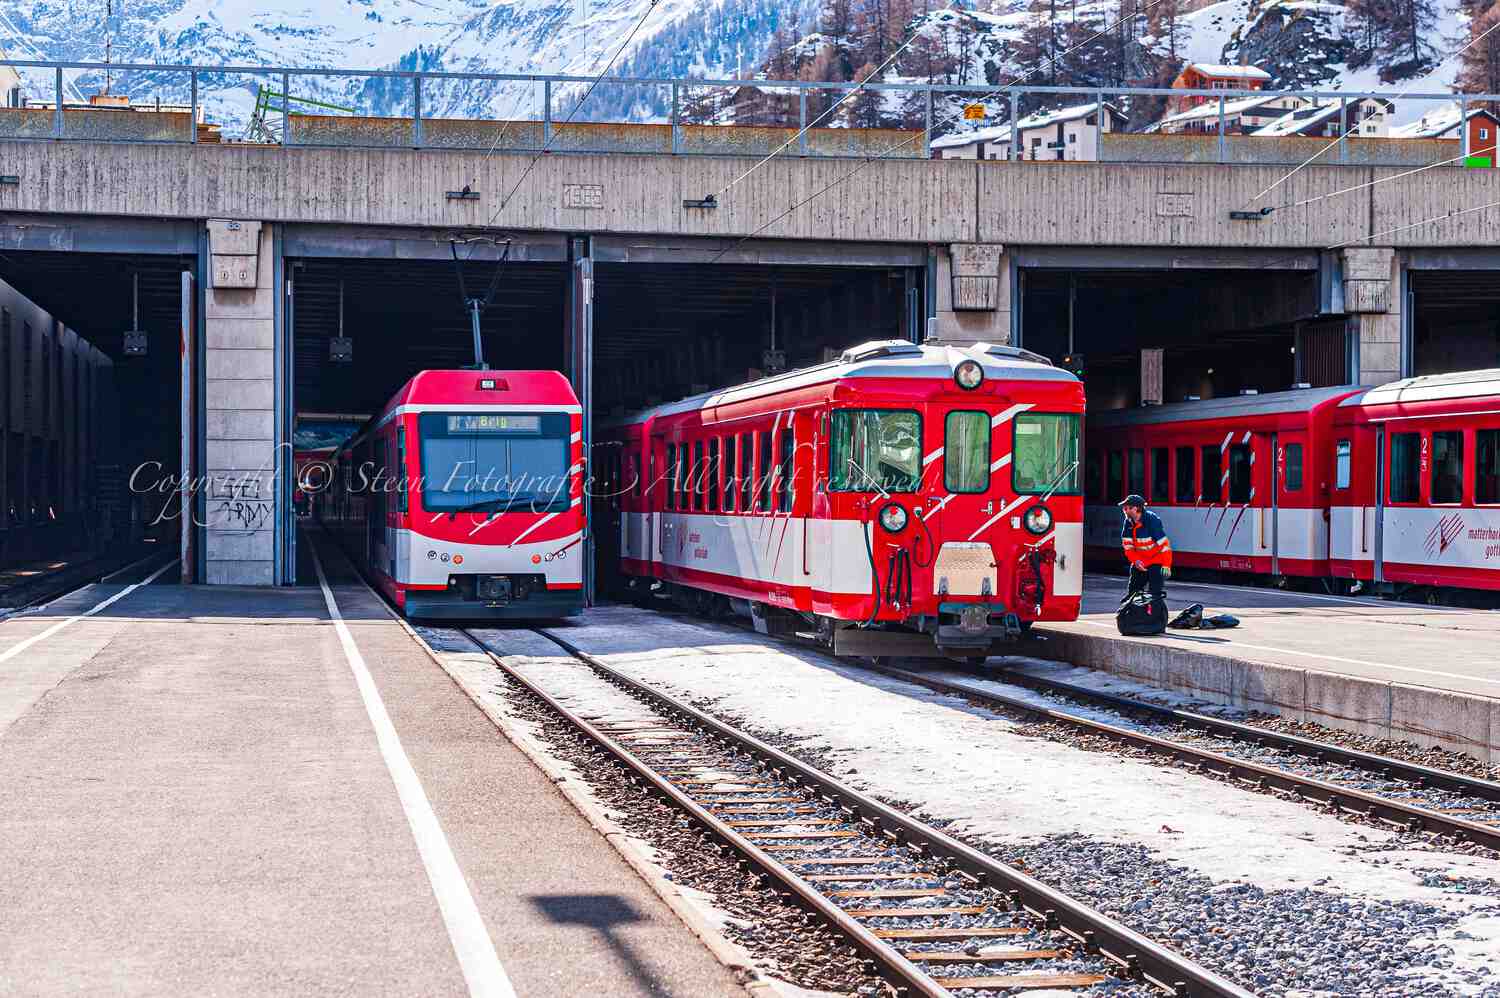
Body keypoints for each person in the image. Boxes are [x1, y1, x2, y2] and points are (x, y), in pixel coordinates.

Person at [1119, 494, 1172, 600]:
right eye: (1124, 508)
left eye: (1127, 508)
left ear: (1136, 508)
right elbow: (1128, 547)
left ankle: (1155, 608)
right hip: (1140, 562)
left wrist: (1166, 564)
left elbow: (1164, 544)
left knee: (1154, 595)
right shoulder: (1128, 522)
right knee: (1132, 595)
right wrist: (1136, 561)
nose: (1124, 510)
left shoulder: (1151, 520)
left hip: (1156, 561)